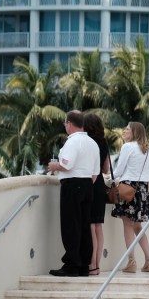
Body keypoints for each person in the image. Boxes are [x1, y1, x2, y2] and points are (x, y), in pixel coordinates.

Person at [47, 111, 100, 277]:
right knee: (84, 226)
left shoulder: (73, 141)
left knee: (71, 226)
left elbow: (66, 165)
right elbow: (95, 173)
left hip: (72, 185)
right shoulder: (93, 143)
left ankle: (71, 265)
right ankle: (84, 265)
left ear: (69, 123)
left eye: (65, 123)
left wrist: (54, 166)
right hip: (87, 185)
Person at [112, 121, 149, 273]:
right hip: (142, 189)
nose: (124, 131)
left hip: (128, 188)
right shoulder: (148, 149)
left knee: (128, 226)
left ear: (134, 132)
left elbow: (118, 171)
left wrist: (109, 177)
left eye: (127, 129)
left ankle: (131, 261)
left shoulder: (127, 147)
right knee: (138, 226)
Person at [83, 113, 110, 276]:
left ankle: (91, 264)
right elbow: (106, 169)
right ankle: (97, 265)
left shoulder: (87, 142)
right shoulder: (103, 142)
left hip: (90, 182)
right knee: (98, 226)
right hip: (100, 184)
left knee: (91, 226)